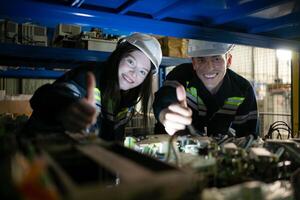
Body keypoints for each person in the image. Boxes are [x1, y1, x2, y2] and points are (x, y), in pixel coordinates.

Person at [25, 33, 162, 141]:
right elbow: (44, 98)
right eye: (131, 61)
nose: (134, 74)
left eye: (142, 71)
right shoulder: (87, 76)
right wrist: (66, 108)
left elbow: (112, 136)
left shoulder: (128, 97)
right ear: (118, 55)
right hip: (38, 154)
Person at [153, 39, 258, 138]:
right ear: (193, 62)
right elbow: (165, 97)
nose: (209, 68)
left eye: (216, 58)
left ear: (228, 60)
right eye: (201, 59)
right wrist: (165, 113)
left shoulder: (243, 90)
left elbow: (248, 134)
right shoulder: (181, 75)